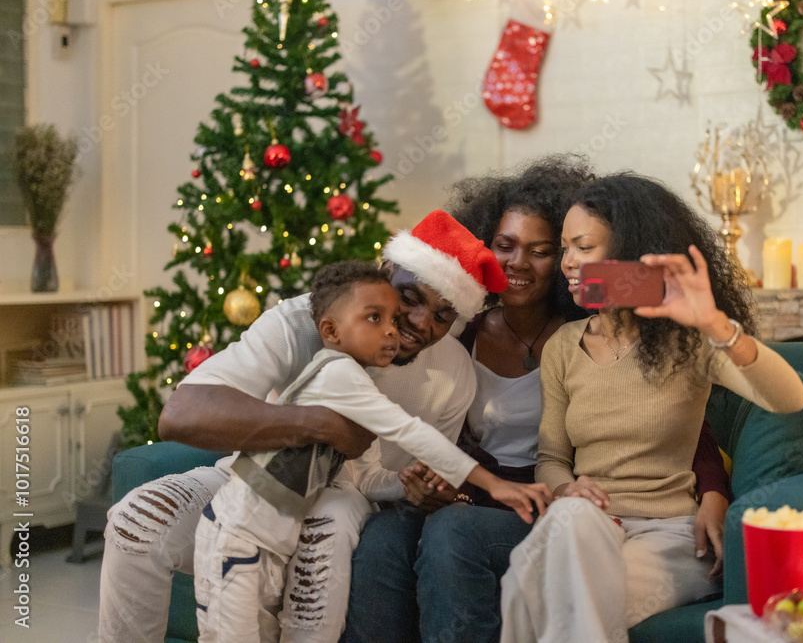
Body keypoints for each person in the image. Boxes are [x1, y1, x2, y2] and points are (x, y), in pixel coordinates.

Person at [344, 157, 732, 643]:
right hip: (479, 498)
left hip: (561, 509)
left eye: (543, 250)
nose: (518, 263)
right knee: (383, 537)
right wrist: (438, 488)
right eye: (504, 246)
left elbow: (673, 418)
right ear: (485, 248)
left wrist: (714, 491)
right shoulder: (456, 335)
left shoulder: (595, 334)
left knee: (452, 533)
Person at [98, 210, 513, 643]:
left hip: (351, 502)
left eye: (443, 316)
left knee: (324, 531)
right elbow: (180, 414)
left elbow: (410, 475)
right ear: (386, 270)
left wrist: (427, 489)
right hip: (258, 474)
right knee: (136, 520)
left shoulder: (453, 371)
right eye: (409, 297)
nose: (421, 323)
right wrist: (317, 423)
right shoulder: (304, 320)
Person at [498, 172, 803, 643]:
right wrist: (567, 491)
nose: (567, 263)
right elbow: (552, 458)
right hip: (584, 528)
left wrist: (715, 324)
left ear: (628, 253)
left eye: (583, 247)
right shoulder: (562, 346)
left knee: (541, 593)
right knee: (571, 525)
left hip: (671, 536)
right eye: (564, 248)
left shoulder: (689, 341)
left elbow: (789, 398)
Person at [192, 260, 551, 642]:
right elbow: (408, 431)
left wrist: (405, 484)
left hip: (274, 537)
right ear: (331, 330)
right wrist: (492, 484)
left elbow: (365, 474)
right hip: (239, 530)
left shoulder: (364, 377)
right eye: (375, 319)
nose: (394, 331)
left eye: (392, 320)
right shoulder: (339, 374)